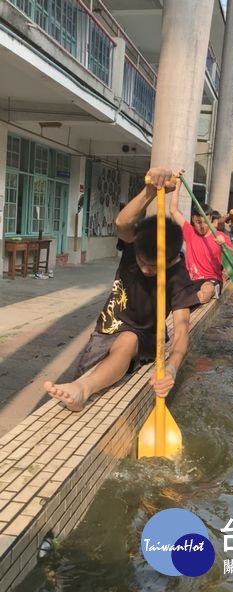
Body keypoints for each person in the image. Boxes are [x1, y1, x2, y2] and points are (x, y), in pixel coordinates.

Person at [43, 167, 202, 412]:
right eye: (142, 262)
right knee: (84, 374)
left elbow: (182, 330)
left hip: (143, 336)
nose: (146, 270)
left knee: (127, 340)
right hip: (106, 328)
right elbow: (123, 222)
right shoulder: (133, 246)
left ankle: (84, 389)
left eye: (153, 266)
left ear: (170, 259)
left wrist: (171, 367)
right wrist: (150, 190)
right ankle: (80, 387)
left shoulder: (179, 277)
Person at [169, 178, 233, 303]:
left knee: (206, 291)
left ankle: (186, 302)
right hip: (190, 279)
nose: (202, 226)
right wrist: (178, 183)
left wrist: (224, 246)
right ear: (193, 219)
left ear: (211, 220)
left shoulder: (220, 236)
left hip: (211, 280)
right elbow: (173, 211)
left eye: (206, 222)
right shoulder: (189, 232)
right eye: (199, 222)